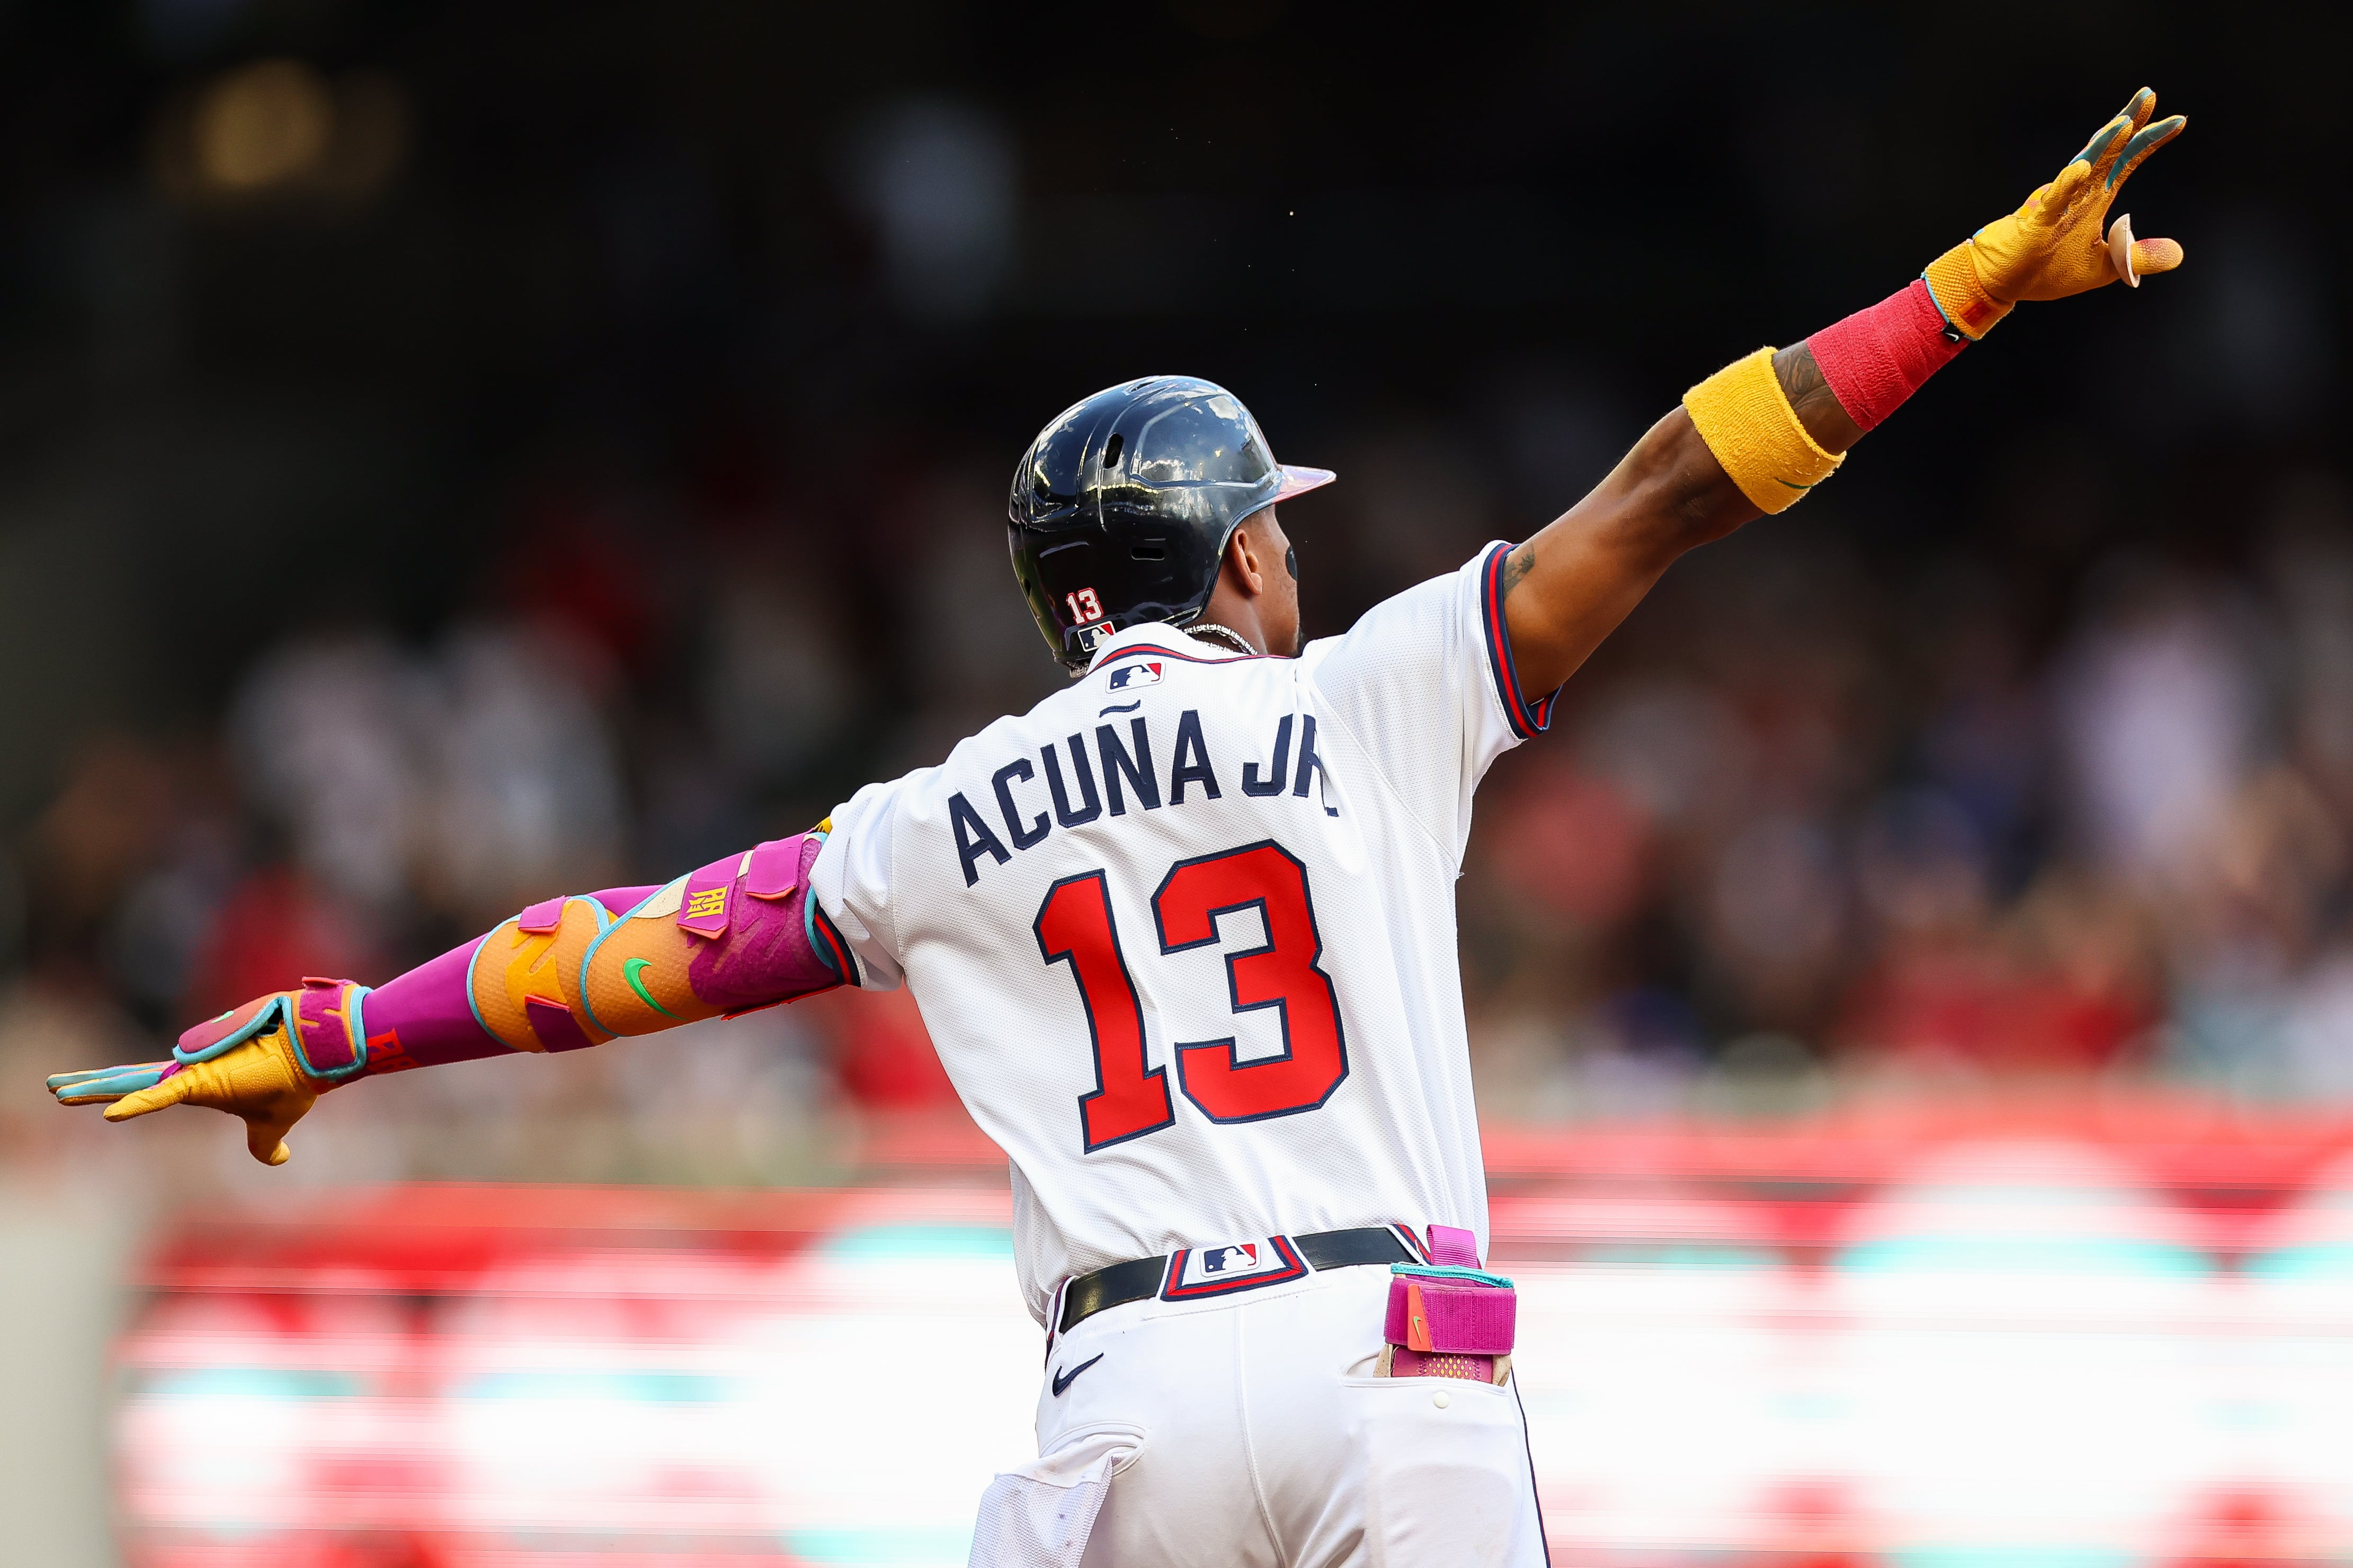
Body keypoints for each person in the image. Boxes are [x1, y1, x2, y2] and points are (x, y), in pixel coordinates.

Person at [51, 89, 2187, 1568]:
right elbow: (1674, 486)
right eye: (1280, 533)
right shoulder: (1368, 696)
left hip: (1125, 1402)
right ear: (1237, 558)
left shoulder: (943, 813)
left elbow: (622, 955)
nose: (1296, 563)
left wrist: (339, 1030)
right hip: (1387, 1366)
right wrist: (1963, 296)